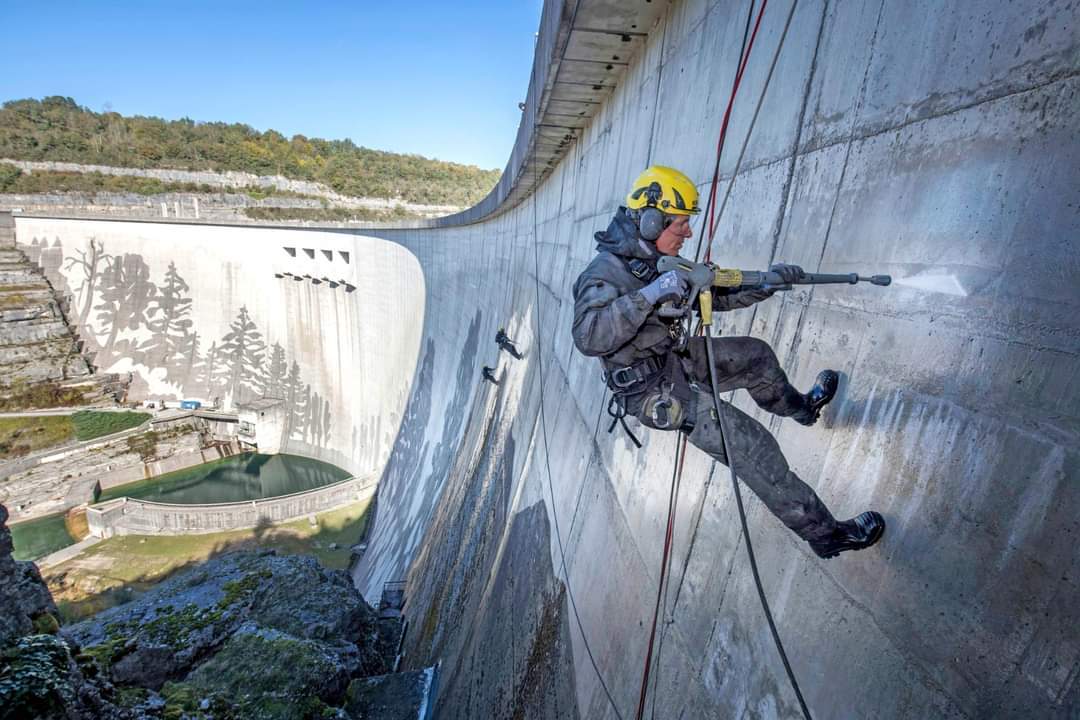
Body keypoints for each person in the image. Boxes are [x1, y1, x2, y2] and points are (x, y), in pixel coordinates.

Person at [571, 166, 884, 558]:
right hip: (654, 389)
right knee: (753, 448)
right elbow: (589, 335)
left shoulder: (661, 259)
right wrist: (647, 296)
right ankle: (826, 535)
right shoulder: (604, 274)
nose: (687, 232)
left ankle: (802, 409)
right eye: (681, 223)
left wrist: (767, 283)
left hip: (672, 358)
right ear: (650, 221)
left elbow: (714, 294)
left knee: (756, 358)